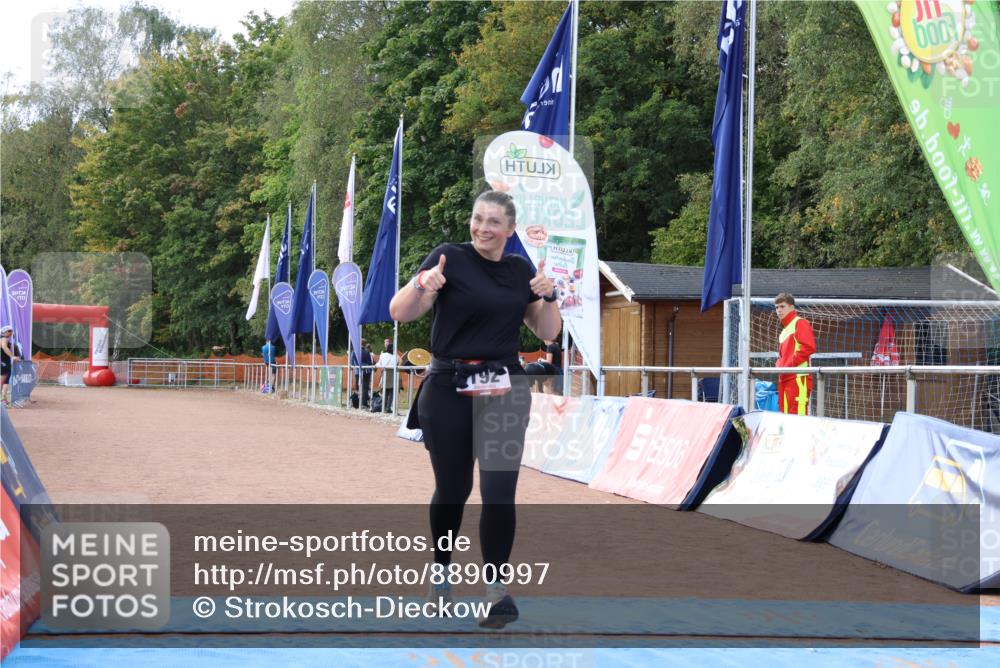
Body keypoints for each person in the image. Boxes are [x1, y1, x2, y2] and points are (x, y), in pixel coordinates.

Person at [389, 189, 561, 629]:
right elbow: (400, 312)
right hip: (448, 386)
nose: (483, 228)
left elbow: (546, 331)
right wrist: (421, 284)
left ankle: (496, 593)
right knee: (454, 489)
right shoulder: (449, 257)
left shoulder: (520, 269)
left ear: (509, 229)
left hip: (504, 386)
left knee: (500, 490)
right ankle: (441, 576)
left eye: (493, 222)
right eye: (477, 219)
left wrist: (548, 296)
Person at [775, 293, 817, 415]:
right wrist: (779, 366)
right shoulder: (783, 332)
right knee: (785, 416)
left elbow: (808, 347)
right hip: (785, 378)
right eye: (777, 307)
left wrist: (788, 365)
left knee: (797, 418)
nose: (779, 310)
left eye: (782, 306)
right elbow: (782, 357)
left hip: (797, 377)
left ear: (792, 307)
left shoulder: (800, 323)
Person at [351, 339, 373, 408]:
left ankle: (356, 402)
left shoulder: (354, 352)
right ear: (365, 344)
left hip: (357, 371)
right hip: (366, 371)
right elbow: (370, 363)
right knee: (365, 387)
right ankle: (364, 403)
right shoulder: (367, 353)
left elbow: (352, 362)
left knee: (358, 387)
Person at [1, 326, 20, 407]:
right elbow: (4, 348)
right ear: (5, 332)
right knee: (2, 381)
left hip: (6, 362)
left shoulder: (7, 340)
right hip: (3, 362)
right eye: (9, 331)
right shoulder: (3, 339)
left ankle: (4, 399)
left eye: (11, 331)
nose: (11, 333)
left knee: (6, 381)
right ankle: (3, 400)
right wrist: (12, 356)